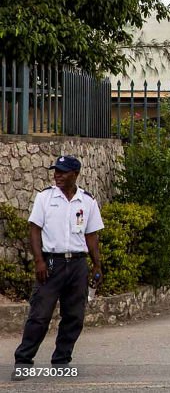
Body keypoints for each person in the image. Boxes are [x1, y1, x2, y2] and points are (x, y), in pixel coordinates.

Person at [12, 156, 104, 380]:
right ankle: (23, 361)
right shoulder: (45, 198)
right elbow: (35, 229)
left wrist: (97, 266)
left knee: (74, 316)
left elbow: (91, 236)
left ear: (75, 174)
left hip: (78, 264)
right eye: (56, 171)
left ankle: (62, 361)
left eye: (62, 172)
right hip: (52, 263)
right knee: (40, 316)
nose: (57, 175)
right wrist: (39, 261)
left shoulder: (87, 201)